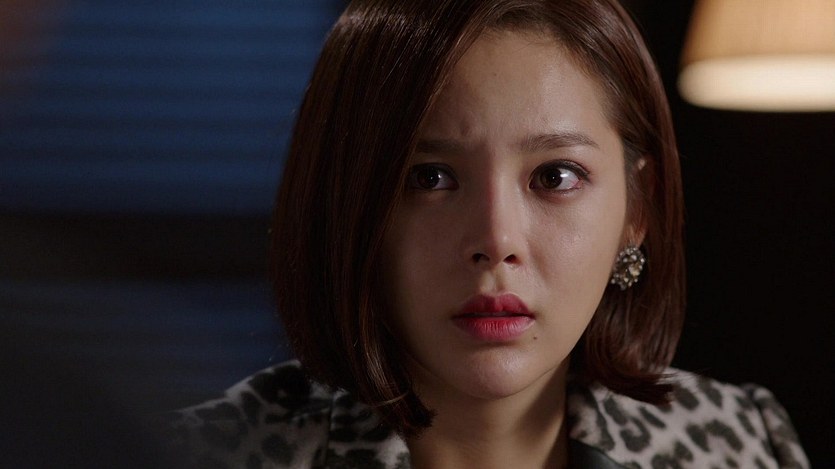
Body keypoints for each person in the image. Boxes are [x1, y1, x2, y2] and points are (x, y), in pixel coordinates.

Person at [155, 1, 809, 467]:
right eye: (430, 177)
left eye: (555, 176)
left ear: (638, 208)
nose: (496, 240)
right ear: (347, 203)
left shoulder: (739, 444)